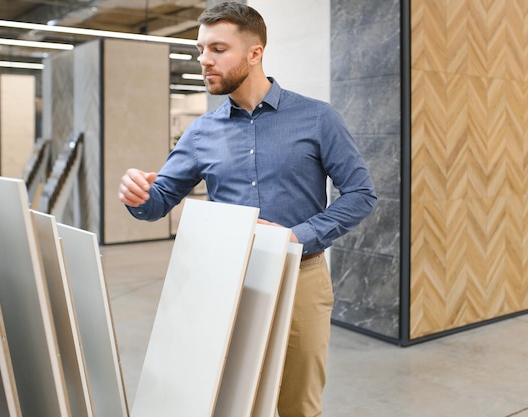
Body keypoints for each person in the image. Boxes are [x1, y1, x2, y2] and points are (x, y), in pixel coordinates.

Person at [118, 2, 376, 416]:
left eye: (218, 49)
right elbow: (159, 199)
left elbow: (361, 193)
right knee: (231, 399)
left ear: (255, 53)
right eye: (201, 49)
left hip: (300, 278)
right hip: (225, 280)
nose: (204, 60)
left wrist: (296, 237)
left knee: (298, 405)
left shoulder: (317, 118)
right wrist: (138, 195)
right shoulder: (202, 131)